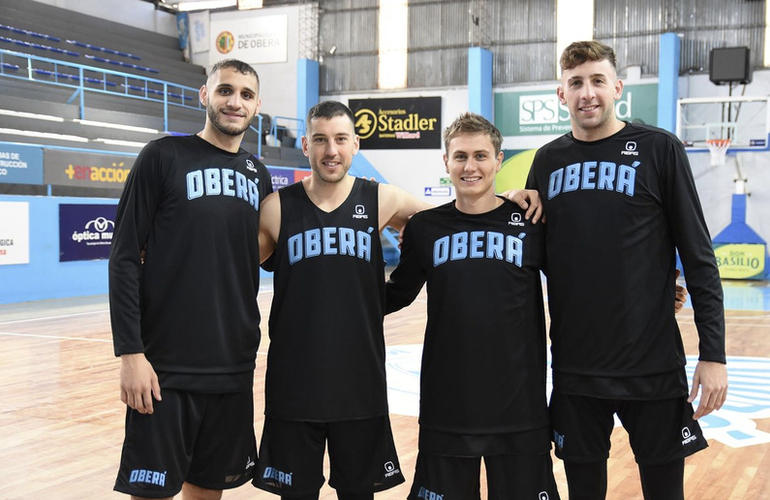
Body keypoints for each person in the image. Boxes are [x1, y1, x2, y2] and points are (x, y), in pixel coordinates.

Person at [253, 100, 542, 500]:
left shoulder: (382, 199)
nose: (331, 150)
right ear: (305, 145)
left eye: (340, 139)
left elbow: (452, 218)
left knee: (358, 491)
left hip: (360, 383)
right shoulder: (275, 208)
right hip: (294, 382)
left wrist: (508, 201)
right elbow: (226, 269)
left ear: (355, 144)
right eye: (320, 140)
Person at [526, 40, 728, 500]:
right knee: (583, 491)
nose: (587, 93)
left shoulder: (659, 149)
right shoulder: (547, 161)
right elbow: (536, 255)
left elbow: (699, 258)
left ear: (617, 88)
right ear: (562, 94)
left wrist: (713, 354)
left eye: (598, 81)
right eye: (575, 83)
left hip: (652, 368)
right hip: (577, 370)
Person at [109, 59, 272, 500]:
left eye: (246, 94)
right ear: (205, 95)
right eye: (225, 90)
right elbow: (124, 258)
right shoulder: (162, 156)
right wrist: (130, 353)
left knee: (207, 493)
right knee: (150, 493)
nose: (234, 102)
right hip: (164, 367)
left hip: (233, 366)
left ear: (257, 106)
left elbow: (275, 248)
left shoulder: (259, 174)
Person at [385, 112, 561, 500]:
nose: (470, 166)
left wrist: (657, 288)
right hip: (448, 407)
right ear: (445, 162)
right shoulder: (425, 228)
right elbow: (393, 296)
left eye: (481, 156)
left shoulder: (531, 222)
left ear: (498, 161)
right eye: (460, 156)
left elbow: (576, 284)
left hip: (520, 408)